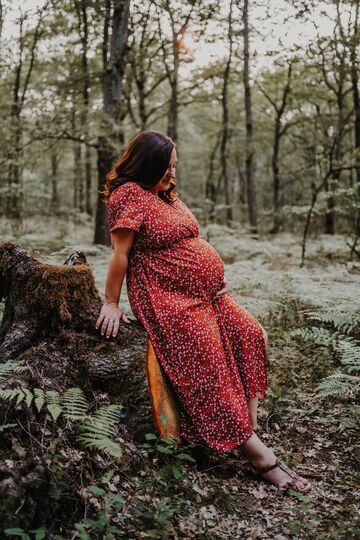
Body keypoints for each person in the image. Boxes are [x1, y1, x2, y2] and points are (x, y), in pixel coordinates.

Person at [95, 130, 311, 493]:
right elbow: (120, 255)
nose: (172, 175)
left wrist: (212, 279)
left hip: (206, 294)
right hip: (166, 297)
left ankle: (245, 426)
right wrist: (111, 303)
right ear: (147, 164)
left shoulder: (165, 195)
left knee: (251, 333)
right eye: (165, 168)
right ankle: (260, 457)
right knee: (207, 365)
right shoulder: (129, 195)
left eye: (174, 167)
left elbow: (190, 240)